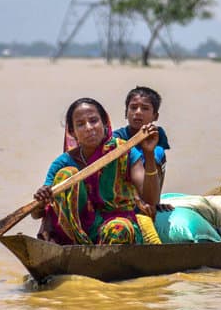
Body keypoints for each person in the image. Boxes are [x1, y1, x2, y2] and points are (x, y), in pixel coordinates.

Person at [34, 97, 160, 244]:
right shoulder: (62, 163)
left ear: (105, 124)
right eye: (80, 124)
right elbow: (37, 213)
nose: (89, 128)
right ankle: (79, 247)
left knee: (118, 229)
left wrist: (149, 153)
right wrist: (41, 200)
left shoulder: (124, 151)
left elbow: (151, 200)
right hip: (73, 234)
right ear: (72, 132)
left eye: (94, 121)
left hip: (115, 224)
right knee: (67, 174)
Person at [112, 86, 170, 181]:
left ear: (155, 116)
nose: (138, 112)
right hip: (122, 190)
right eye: (133, 107)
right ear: (126, 113)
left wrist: (149, 153)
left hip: (149, 188)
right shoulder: (116, 137)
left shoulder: (158, 135)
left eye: (145, 108)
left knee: (158, 151)